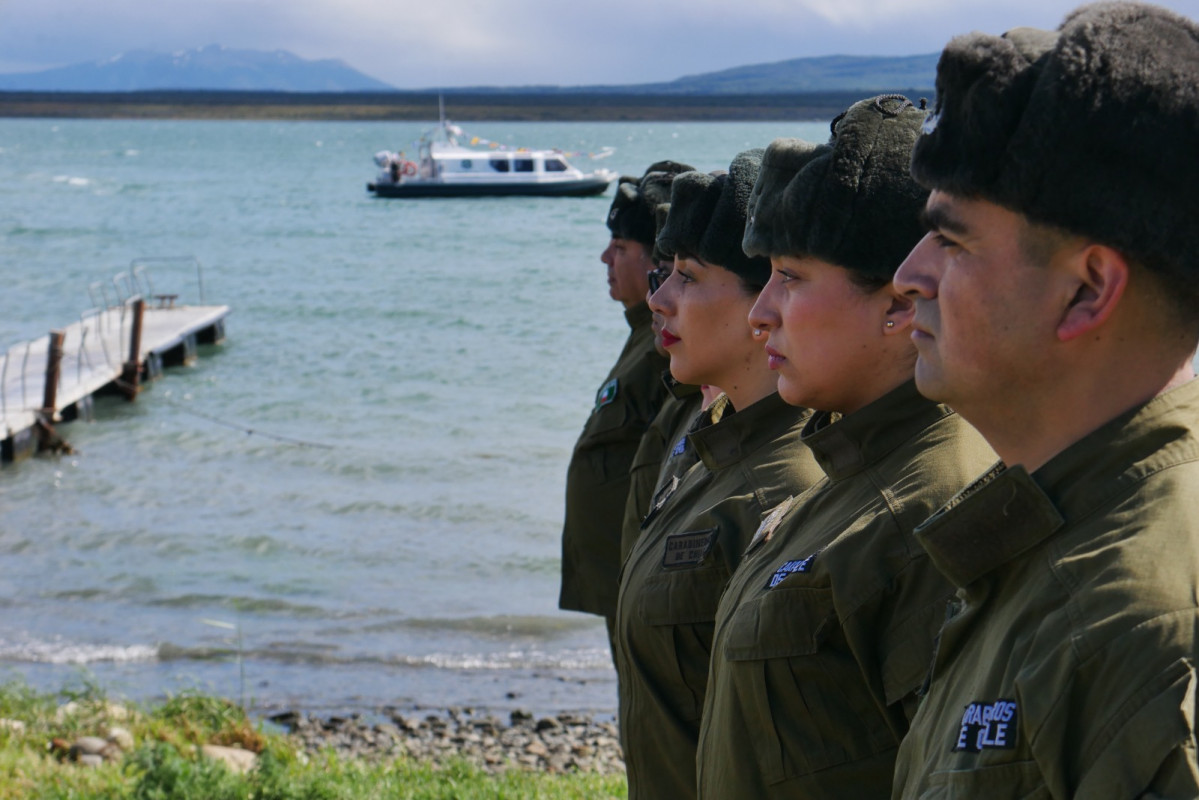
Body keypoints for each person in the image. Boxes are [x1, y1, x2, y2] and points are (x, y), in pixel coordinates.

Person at [890, 4, 1199, 797]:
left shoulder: (1143, 627)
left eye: (951, 241)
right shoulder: (1065, 531)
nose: (908, 276)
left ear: (1086, 290)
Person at [694, 96, 996, 798]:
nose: (760, 313)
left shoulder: (931, 501)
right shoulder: (847, 472)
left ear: (897, 304)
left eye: (790, 278)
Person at [615, 149, 826, 800]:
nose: (662, 297)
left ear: (760, 300)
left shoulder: (790, 480)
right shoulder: (714, 439)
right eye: (663, 273)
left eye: (689, 276)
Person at [559, 161, 693, 656]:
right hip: (622, 577)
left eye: (620, 248)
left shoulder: (666, 347)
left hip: (641, 575)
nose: (604, 259)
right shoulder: (645, 335)